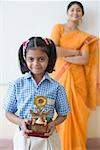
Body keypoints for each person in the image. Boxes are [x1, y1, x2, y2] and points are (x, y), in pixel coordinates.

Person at [3, 37, 70, 150]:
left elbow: (63, 114)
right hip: (24, 137)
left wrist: (53, 124)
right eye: (31, 59)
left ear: (49, 59)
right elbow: (8, 112)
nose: (36, 63)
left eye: (41, 59)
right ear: (25, 59)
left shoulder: (57, 87)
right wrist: (21, 122)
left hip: (48, 139)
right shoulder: (16, 85)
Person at [50, 1, 99, 150]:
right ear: (67, 12)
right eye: (72, 10)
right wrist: (75, 52)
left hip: (78, 80)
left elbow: (84, 59)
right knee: (58, 111)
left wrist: (66, 57)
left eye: (78, 10)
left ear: (82, 15)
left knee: (77, 115)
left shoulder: (85, 37)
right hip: (60, 75)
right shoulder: (58, 28)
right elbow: (54, 50)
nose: (75, 13)